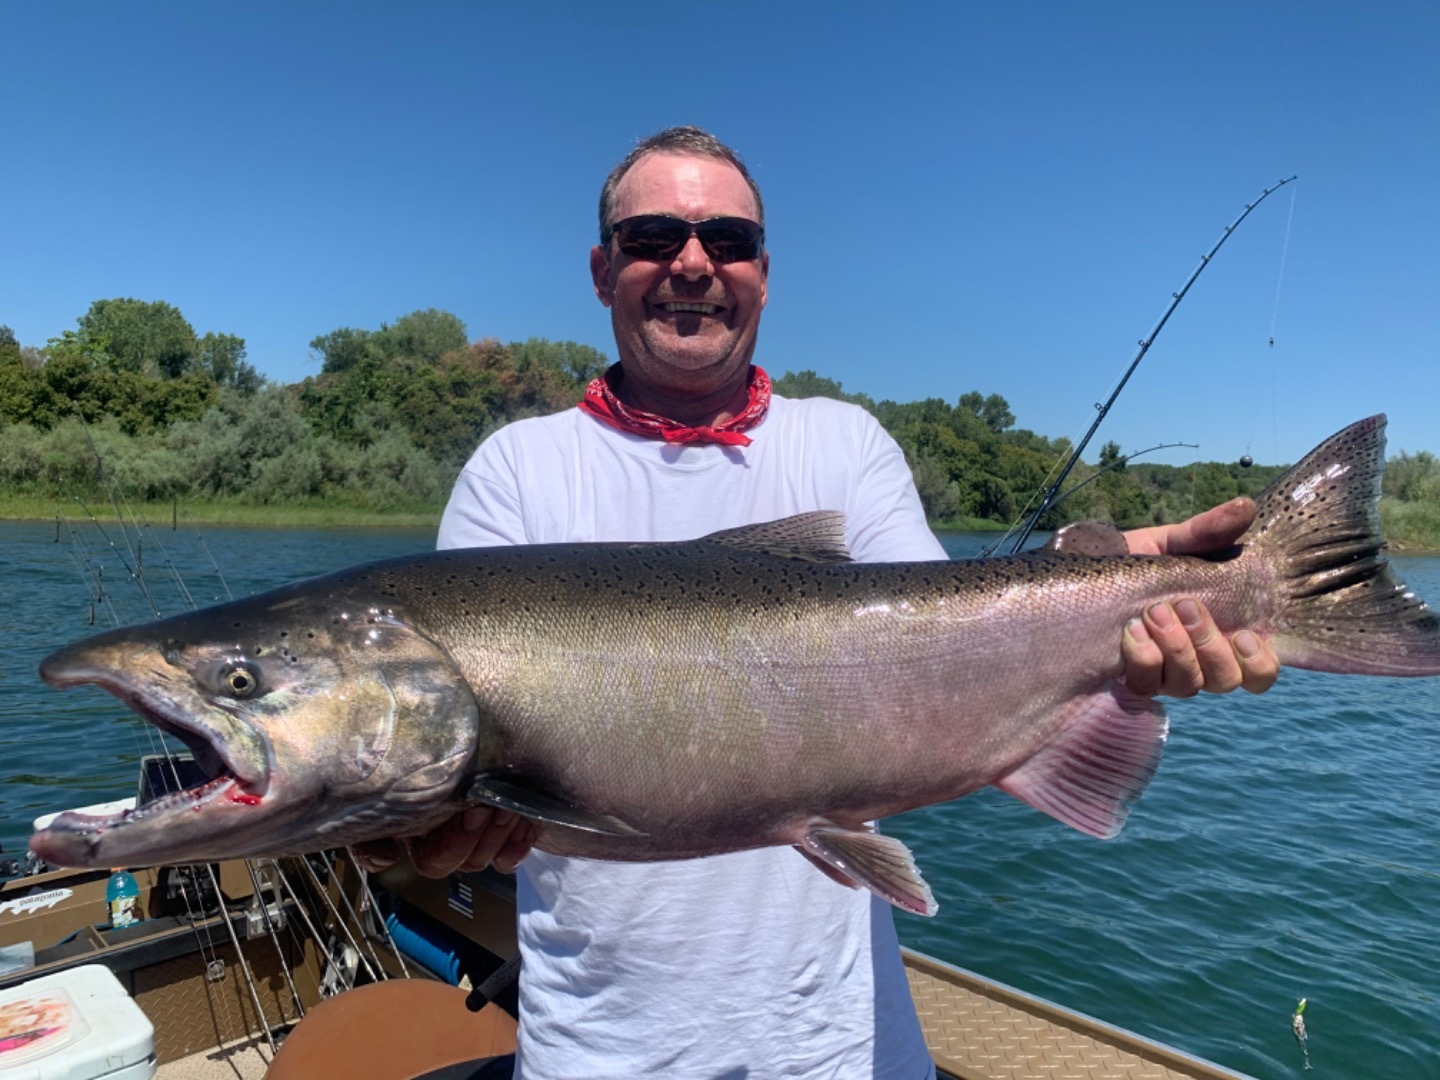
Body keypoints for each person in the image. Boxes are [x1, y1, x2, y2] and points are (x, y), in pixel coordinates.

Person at [357, 126, 1280, 1079]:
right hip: (600, 1051)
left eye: (727, 240)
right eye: (652, 238)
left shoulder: (846, 444)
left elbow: (942, 636)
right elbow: (451, 791)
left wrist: (1116, 581)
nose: (692, 263)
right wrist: (419, 830)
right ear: (602, 271)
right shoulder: (516, 469)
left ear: (764, 270)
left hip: (846, 1051)